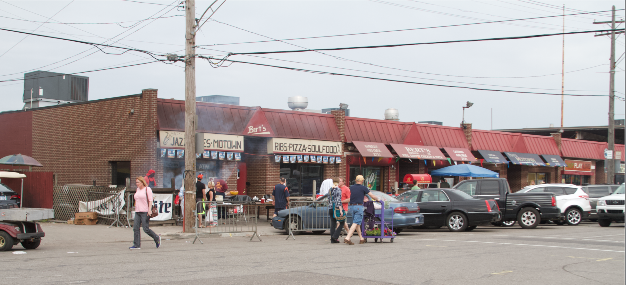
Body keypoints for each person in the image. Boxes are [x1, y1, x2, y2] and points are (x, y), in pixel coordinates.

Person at [344, 175, 379, 245]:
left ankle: (361, 238)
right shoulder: (363, 188)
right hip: (359, 207)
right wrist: (378, 199)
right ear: (362, 181)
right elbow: (371, 196)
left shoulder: (352, 187)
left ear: (355, 180)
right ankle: (348, 237)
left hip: (352, 207)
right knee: (356, 223)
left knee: (357, 223)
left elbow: (353, 196)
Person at [130, 176, 160, 250]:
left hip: (145, 211)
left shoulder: (147, 189)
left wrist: (149, 210)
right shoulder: (137, 189)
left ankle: (156, 237)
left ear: (142, 182)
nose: (136, 184)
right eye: (136, 182)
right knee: (135, 228)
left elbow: (150, 200)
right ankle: (136, 244)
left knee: (145, 229)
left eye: (138, 182)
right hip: (137, 211)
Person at [328, 178, 345, 244]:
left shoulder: (330, 189)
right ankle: (335, 236)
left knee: (333, 224)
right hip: (336, 209)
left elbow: (329, 199)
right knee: (342, 222)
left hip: (330, 208)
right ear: (338, 182)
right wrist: (341, 210)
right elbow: (338, 201)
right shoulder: (338, 189)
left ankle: (333, 240)